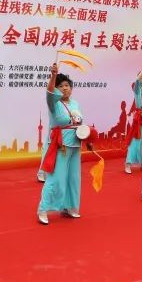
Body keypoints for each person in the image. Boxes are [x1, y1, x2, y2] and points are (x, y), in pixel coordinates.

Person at [37, 64, 92, 224]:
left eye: (67, 85)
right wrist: (53, 76)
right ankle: (43, 209)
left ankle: (69, 207)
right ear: (56, 89)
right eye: (60, 86)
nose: (65, 88)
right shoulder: (54, 103)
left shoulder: (75, 104)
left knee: (73, 178)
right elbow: (49, 92)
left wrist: (87, 139)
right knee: (56, 178)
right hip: (60, 145)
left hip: (75, 144)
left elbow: (79, 123)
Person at [124, 62, 142, 173]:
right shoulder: (137, 90)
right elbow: (136, 81)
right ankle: (128, 164)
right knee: (135, 141)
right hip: (139, 118)